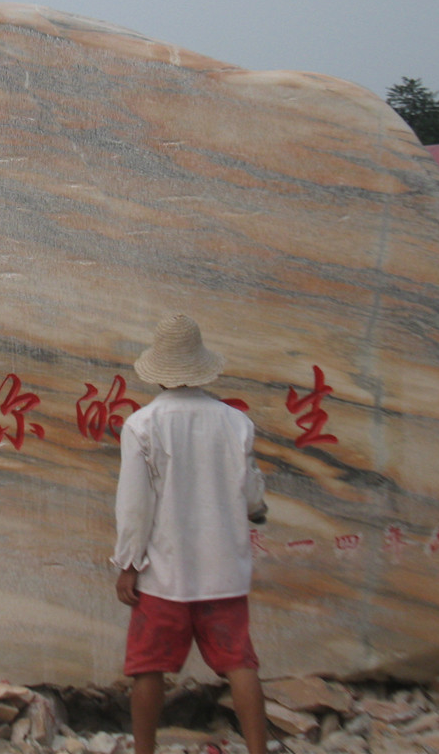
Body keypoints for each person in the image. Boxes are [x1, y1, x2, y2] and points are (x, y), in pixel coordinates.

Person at [113, 313, 270, 754]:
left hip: (165, 573)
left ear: (158, 371)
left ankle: (145, 750)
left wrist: (127, 563)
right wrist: (257, 512)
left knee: (149, 668)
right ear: (202, 367)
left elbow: (134, 507)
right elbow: (251, 490)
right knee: (239, 663)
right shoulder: (234, 421)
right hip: (223, 571)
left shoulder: (142, 425)